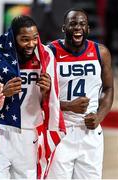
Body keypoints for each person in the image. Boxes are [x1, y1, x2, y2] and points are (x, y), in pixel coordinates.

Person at [0, 15, 63, 179]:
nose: (31, 44)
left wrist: (47, 92)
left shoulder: (45, 56)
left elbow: (51, 102)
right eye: (25, 39)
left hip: (29, 132)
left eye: (35, 38)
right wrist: (3, 92)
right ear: (12, 38)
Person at [47, 8, 114, 179]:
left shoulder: (101, 52)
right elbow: (38, 96)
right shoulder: (50, 52)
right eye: (73, 24)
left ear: (88, 29)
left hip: (90, 132)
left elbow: (108, 88)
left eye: (82, 24)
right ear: (64, 28)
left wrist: (99, 116)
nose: (78, 27)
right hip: (60, 131)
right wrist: (68, 106)